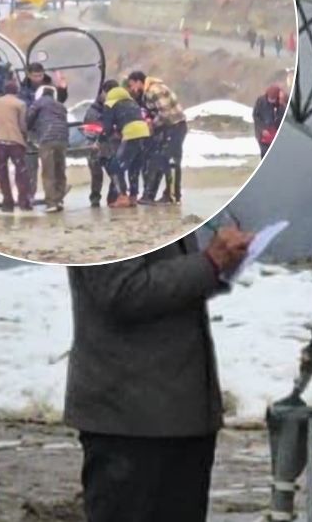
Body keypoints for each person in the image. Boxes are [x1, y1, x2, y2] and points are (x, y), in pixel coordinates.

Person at [65, 225, 254, 522]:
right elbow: (120, 291)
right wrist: (209, 262)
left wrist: (221, 264)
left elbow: (171, 279)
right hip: (131, 420)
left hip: (177, 413)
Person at [128, 71, 188, 204]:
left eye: (132, 85)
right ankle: (153, 195)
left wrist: (151, 125)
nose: (132, 89)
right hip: (168, 127)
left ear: (139, 82)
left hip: (175, 126)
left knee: (171, 160)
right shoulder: (146, 94)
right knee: (160, 159)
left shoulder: (154, 90)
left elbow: (165, 112)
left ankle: (173, 195)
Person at [19, 63, 69, 203]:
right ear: (29, 75)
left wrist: (62, 89)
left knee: (53, 167)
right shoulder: (24, 90)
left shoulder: (50, 87)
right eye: (35, 76)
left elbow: (60, 100)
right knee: (31, 164)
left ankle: (55, 196)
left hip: (46, 130)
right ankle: (30, 194)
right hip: (34, 130)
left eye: (40, 75)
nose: (38, 78)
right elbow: (25, 108)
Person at [102, 84, 152, 208]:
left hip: (132, 134)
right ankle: (133, 197)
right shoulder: (131, 102)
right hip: (145, 133)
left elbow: (107, 128)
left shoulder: (110, 103)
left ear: (106, 92)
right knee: (134, 167)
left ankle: (122, 197)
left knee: (114, 166)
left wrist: (104, 138)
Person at [0, 80, 32, 212]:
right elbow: (23, 125)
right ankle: (23, 201)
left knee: (1, 172)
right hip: (15, 141)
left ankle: (7, 202)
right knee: (20, 171)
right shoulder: (20, 104)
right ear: (17, 91)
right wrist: (25, 136)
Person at [26, 85, 70, 213]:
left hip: (47, 139)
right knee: (60, 170)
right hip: (62, 140)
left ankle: (51, 202)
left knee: (48, 172)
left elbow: (29, 120)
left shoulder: (38, 103)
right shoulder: (60, 106)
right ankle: (59, 198)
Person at [84, 80, 121, 208]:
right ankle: (95, 198)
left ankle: (113, 198)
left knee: (115, 174)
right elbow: (89, 129)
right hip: (95, 146)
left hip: (111, 146)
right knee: (96, 175)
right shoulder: (93, 110)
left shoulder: (115, 106)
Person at [253, 84, 284, 156]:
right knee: (264, 153)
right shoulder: (260, 101)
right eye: (270, 99)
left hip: (275, 132)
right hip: (263, 135)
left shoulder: (281, 104)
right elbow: (255, 116)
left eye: (273, 99)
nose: (271, 101)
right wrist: (262, 129)